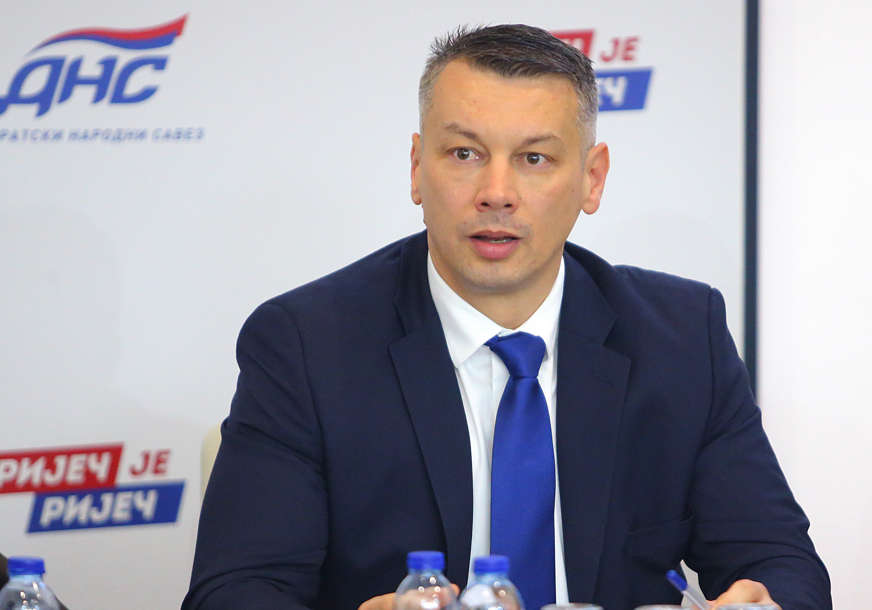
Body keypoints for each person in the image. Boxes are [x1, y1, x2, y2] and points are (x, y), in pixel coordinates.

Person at [183, 24, 830, 610]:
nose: (496, 193)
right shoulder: (305, 345)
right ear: (417, 169)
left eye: (534, 158)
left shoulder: (683, 338)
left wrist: (763, 603)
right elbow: (235, 591)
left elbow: (781, 563)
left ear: (592, 179)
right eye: (464, 154)